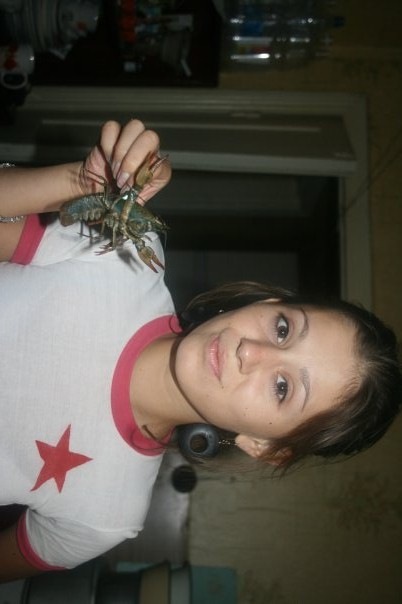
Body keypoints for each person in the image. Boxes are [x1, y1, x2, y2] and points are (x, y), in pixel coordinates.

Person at [0, 120, 401, 582]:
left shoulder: (106, 515)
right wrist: (80, 184)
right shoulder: (125, 253)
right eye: (283, 328)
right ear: (267, 303)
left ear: (266, 447)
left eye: (282, 387)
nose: (252, 352)